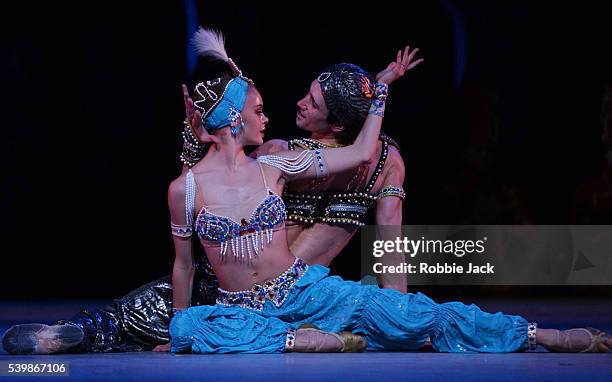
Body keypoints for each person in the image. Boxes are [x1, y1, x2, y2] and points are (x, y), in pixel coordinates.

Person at [165, 28, 610, 354]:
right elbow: (183, 268)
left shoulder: (276, 165)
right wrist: (173, 335)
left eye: (311, 101)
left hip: (305, 291)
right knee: (188, 328)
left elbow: (362, 153)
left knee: (416, 315)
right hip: (240, 310)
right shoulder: (187, 188)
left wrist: (380, 90)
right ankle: (299, 340)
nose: (272, 115)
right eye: (258, 111)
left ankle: (535, 334)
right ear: (234, 120)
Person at [3, 32, 412, 354]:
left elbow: (389, 241)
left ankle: (87, 329)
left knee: (158, 312)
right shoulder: (384, 158)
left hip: (254, 292)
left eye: (313, 101)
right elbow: (202, 194)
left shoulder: (279, 155)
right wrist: (396, 316)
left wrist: (198, 136)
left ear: (338, 124)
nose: (299, 103)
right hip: (297, 296)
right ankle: (80, 332)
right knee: (177, 315)